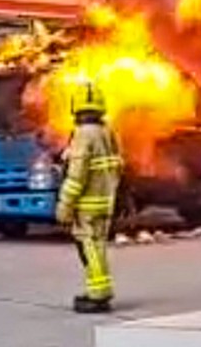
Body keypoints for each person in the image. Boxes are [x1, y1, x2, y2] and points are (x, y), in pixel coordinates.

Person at [56, 82, 123, 314]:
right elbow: (118, 167)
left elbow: (76, 176)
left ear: (76, 108)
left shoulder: (84, 135)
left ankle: (98, 295)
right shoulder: (108, 132)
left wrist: (65, 205)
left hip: (87, 204)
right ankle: (98, 289)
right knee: (98, 246)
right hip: (106, 200)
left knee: (89, 247)